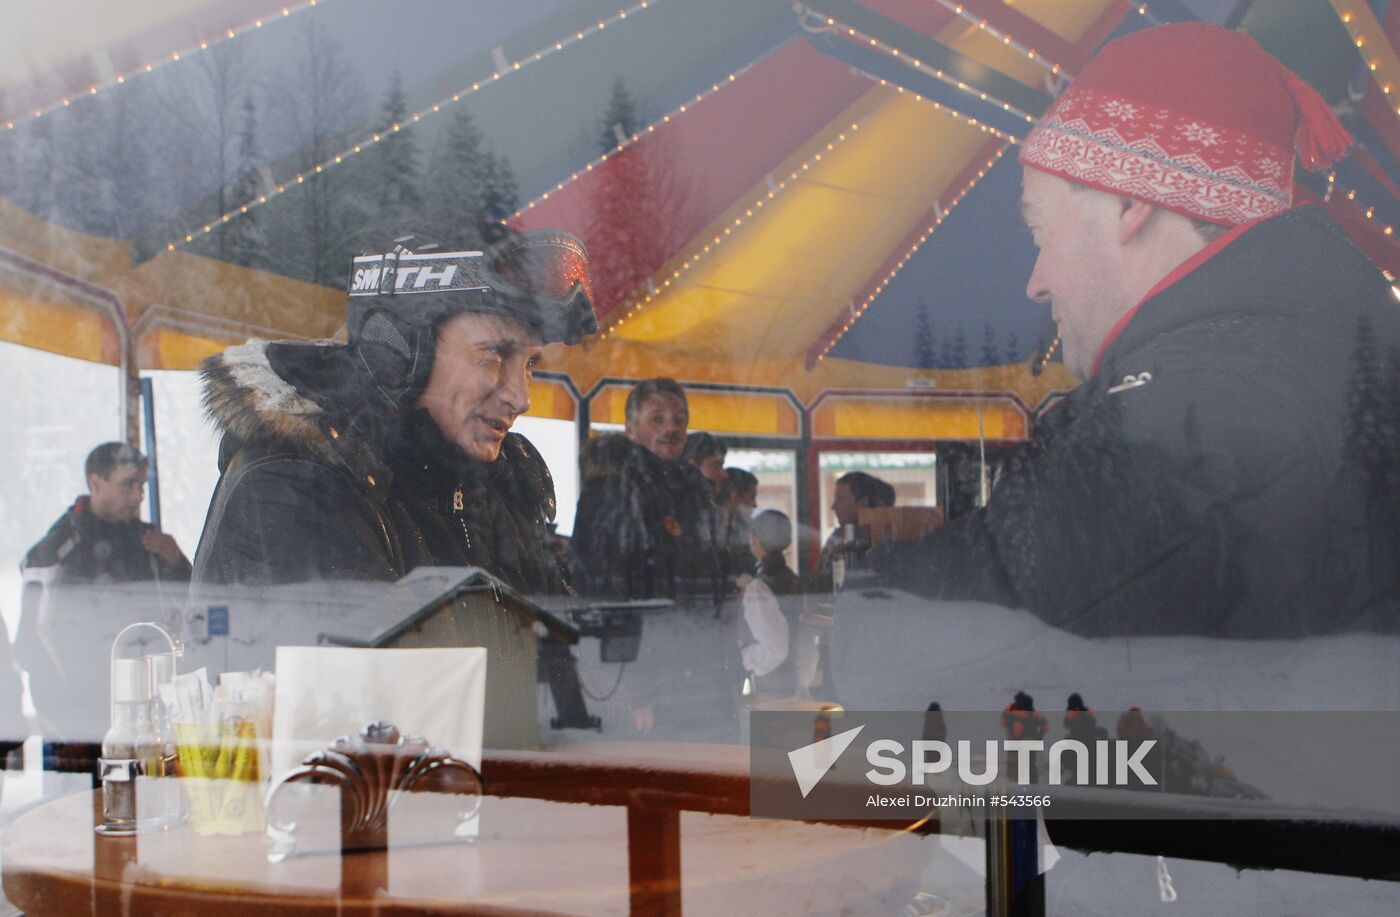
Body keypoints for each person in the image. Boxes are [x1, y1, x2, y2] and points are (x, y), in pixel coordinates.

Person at [877, 22, 1400, 637]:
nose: (1036, 281)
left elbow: (967, 640)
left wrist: (851, 607)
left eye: (1041, 233)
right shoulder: (1303, 361)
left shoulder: (1192, 412)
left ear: (1129, 203)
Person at [191, 229, 597, 594]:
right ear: (399, 352)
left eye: (530, 366)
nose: (520, 397)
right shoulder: (295, 486)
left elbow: (557, 666)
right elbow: (346, 674)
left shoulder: (497, 488)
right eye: (496, 354)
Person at [19, 443, 190, 745]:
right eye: (128, 484)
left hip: (144, 717)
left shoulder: (151, 543)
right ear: (95, 483)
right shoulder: (56, 551)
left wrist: (177, 562)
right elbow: (33, 645)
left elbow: (190, 613)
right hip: (75, 723)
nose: (138, 496)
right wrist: (64, 725)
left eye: (142, 486)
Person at [572, 377, 723, 600]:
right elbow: (601, 577)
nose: (671, 428)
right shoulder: (612, 489)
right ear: (631, 429)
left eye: (679, 420)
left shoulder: (693, 489)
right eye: (657, 420)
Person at [736, 509, 801, 699]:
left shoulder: (758, 586)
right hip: (790, 677)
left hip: (770, 685)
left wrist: (742, 657)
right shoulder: (791, 578)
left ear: (754, 539)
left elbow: (776, 650)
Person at [812, 470, 894, 593]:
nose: (834, 506)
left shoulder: (888, 538)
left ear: (862, 503)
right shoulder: (838, 537)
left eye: (841, 499)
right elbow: (819, 583)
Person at [719, 467, 758, 577]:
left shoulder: (748, 531)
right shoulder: (709, 530)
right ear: (734, 496)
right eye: (752, 497)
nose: (755, 505)